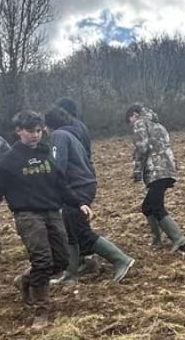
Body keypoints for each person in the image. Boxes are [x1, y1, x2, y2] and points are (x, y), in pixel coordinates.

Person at [0, 111, 77, 329]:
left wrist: (79, 203)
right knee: (42, 260)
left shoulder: (45, 153)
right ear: (19, 131)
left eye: (39, 131)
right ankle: (41, 311)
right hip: (27, 214)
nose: (35, 135)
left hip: (52, 211)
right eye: (30, 131)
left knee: (61, 260)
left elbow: (60, 183)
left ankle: (26, 279)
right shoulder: (8, 161)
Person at [45, 106, 135, 283]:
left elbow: (58, 166)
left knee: (81, 231)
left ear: (49, 125)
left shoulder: (58, 136)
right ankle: (71, 274)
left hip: (76, 187)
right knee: (70, 229)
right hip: (83, 185)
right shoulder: (72, 134)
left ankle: (121, 259)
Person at [126, 103, 185, 251]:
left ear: (134, 115)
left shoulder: (140, 123)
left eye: (130, 121)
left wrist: (137, 171)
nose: (131, 125)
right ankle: (157, 241)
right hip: (167, 169)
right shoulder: (158, 125)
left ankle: (179, 239)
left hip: (156, 170)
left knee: (155, 206)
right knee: (147, 207)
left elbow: (142, 148)